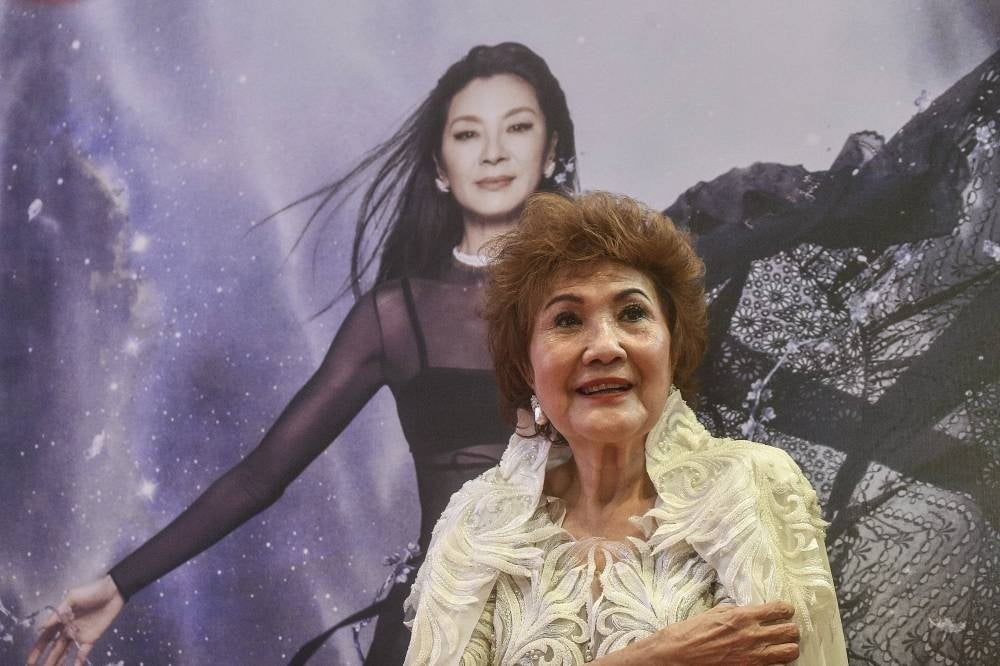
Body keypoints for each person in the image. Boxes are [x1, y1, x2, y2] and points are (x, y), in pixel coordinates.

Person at [26, 42, 578, 666]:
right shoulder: (396, 317)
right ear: (440, 166)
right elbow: (261, 475)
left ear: (550, 150)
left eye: (517, 127)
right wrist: (120, 584)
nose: (494, 152)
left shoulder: (605, 295)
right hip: (439, 634)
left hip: (580, 621)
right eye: (468, 133)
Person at [403, 191, 848, 664]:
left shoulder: (751, 485)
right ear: (527, 369)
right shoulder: (479, 523)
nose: (605, 347)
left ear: (672, 347)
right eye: (567, 320)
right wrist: (654, 658)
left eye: (632, 313)